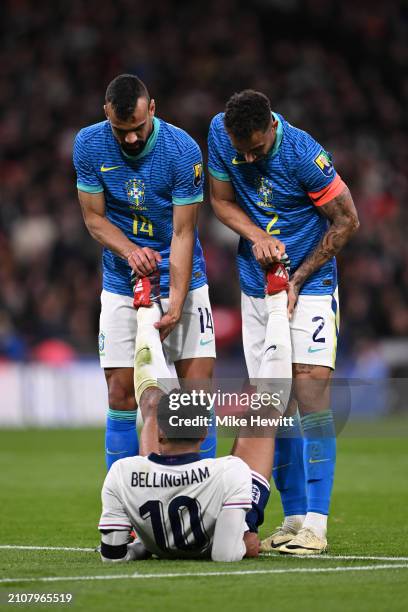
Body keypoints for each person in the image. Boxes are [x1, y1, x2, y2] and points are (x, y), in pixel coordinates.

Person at [208, 90, 359, 554]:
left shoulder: (304, 155)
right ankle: (292, 519)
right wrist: (256, 235)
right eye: (242, 151)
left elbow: (347, 220)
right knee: (275, 400)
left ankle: (316, 523)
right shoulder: (220, 133)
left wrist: (297, 278)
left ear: (272, 125)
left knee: (310, 389)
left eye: (255, 148)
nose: (248, 157)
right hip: (257, 287)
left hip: (309, 284)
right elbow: (220, 200)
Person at [72, 74, 216, 467]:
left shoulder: (182, 149)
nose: (131, 139)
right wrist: (131, 251)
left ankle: (205, 514)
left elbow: (184, 232)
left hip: (183, 279)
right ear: (106, 115)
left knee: (194, 399)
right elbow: (93, 218)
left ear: (152, 109)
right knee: (121, 394)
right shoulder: (88, 143)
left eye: (138, 128)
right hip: (122, 283)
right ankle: (122, 518)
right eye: (122, 131)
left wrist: (176, 301)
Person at [98, 393, 255, 562]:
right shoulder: (231, 470)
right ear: (204, 433)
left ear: (160, 432)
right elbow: (225, 555)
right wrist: (246, 545)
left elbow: (112, 556)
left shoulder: (122, 472)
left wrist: (140, 547)